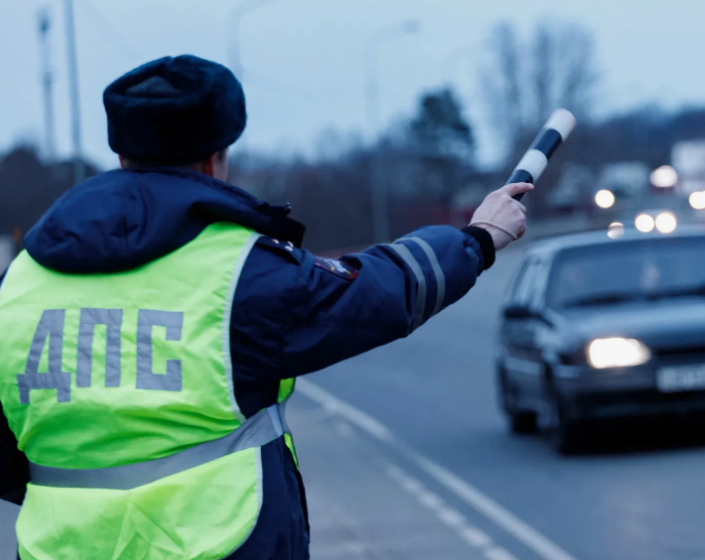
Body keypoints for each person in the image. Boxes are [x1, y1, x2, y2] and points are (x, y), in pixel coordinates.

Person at [0, 55, 532, 560]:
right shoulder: (238, 272)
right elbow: (375, 294)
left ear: (121, 155)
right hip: (222, 543)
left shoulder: (20, 282)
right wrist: (477, 239)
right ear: (215, 159)